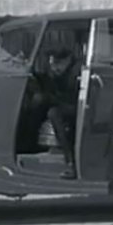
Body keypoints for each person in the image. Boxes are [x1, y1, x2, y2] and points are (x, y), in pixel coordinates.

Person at [38, 47, 81, 179]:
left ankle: (71, 161)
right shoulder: (60, 73)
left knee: (54, 114)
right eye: (52, 64)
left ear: (67, 60)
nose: (54, 68)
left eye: (57, 64)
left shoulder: (76, 72)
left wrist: (48, 97)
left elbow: (72, 98)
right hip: (70, 105)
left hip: (80, 108)